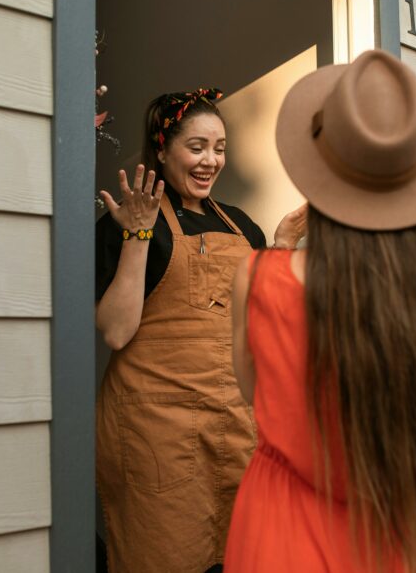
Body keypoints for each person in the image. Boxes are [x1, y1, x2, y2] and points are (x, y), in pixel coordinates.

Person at [224, 50, 416, 572]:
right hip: (402, 531)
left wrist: (281, 253)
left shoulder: (259, 279)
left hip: (281, 532)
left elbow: (256, 394)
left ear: (317, 172)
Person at [95, 88, 306, 573]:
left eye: (220, 148)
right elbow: (114, 332)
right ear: (162, 149)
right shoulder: (126, 223)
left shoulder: (243, 228)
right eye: (197, 147)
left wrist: (280, 246)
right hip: (156, 435)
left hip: (233, 427)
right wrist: (138, 235)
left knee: (244, 557)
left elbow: (265, 324)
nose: (211, 160)